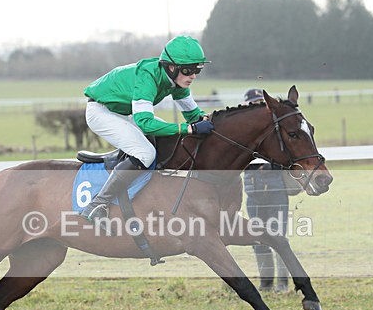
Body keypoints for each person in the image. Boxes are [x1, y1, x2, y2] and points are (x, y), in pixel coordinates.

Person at [80, 35, 215, 226]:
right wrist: (190, 129)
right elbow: (144, 122)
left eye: (197, 70)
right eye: (188, 70)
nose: (193, 75)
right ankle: (98, 204)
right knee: (146, 153)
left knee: (167, 139)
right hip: (100, 111)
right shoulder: (148, 76)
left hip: (123, 111)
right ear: (171, 67)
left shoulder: (178, 82)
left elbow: (194, 116)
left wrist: (211, 121)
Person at [241, 88, 301, 292]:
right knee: (257, 238)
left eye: (260, 103)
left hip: (276, 191)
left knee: (279, 237)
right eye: (253, 104)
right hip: (253, 193)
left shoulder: (275, 131)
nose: (256, 107)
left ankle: (282, 283)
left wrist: (269, 166)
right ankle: (266, 283)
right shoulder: (244, 134)